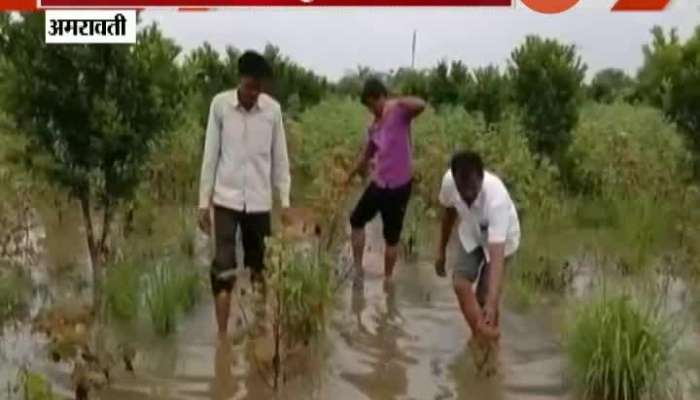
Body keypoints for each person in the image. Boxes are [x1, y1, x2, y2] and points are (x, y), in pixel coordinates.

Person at [197, 50, 291, 338]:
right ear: (239, 80)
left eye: (259, 88)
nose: (254, 94)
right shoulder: (220, 106)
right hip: (225, 200)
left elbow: (280, 159)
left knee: (260, 269)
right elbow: (210, 156)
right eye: (250, 86)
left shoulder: (272, 111)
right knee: (223, 269)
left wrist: (285, 201)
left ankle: (260, 329)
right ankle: (222, 339)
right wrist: (203, 203)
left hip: (260, 203)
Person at [346, 78, 426, 287]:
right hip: (379, 184)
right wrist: (348, 177)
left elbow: (421, 105)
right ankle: (358, 269)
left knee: (391, 237)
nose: (372, 110)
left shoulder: (400, 112)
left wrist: (397, 102)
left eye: (372, 105)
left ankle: (388, 279)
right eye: (369, 107)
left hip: (400, 186)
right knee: (356, 220)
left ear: (380, 97)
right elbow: (365, 156)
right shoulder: (375, 126)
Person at [435, 151, 520, 343]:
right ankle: (481, 336)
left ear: (482, 178)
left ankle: (491, 341)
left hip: (503, 241)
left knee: (485, 296)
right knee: (460, 283)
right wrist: (440, 250)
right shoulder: (449, 182)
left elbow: (497, 256)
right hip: (472, 234)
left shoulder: (495, 198)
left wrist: (491, 302)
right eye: (461, 189)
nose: (467, 195)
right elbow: (448, 215)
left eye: (472, 189)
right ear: (454, 180)